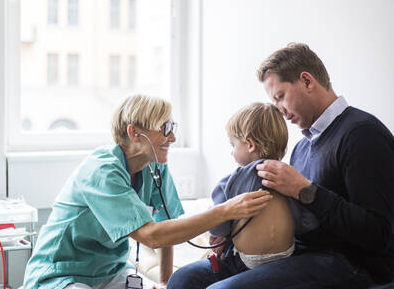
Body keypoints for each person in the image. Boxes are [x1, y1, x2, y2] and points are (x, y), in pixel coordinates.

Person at [167, 43, 394, 289]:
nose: (280, 111)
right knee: (184, 280)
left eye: (280, 97)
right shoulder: (302, 148)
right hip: (301, 255)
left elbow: (380, 234)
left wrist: (305, 191)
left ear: (307, 81)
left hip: (351, 263)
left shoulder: (361, 133)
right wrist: (230, 235)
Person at [22, 94, 273, 289]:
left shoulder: (155, 167)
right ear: (134, 132)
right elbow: (152, 236)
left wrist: (165, 280)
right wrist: (225, 211)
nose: (173, 136)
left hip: (111, 271)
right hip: (62, 272)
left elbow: (169, 224)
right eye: (165, 128)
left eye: (173, 126)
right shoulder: (102, 171)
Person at [208, 102, 318, 270]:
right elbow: (307, 222)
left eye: (233, 145)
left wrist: (219, 234)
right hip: (286, 257)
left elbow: (217, 222)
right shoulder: (291, 178)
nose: (231, 151)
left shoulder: (231, 181)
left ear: (250, 144)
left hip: (246, 261)